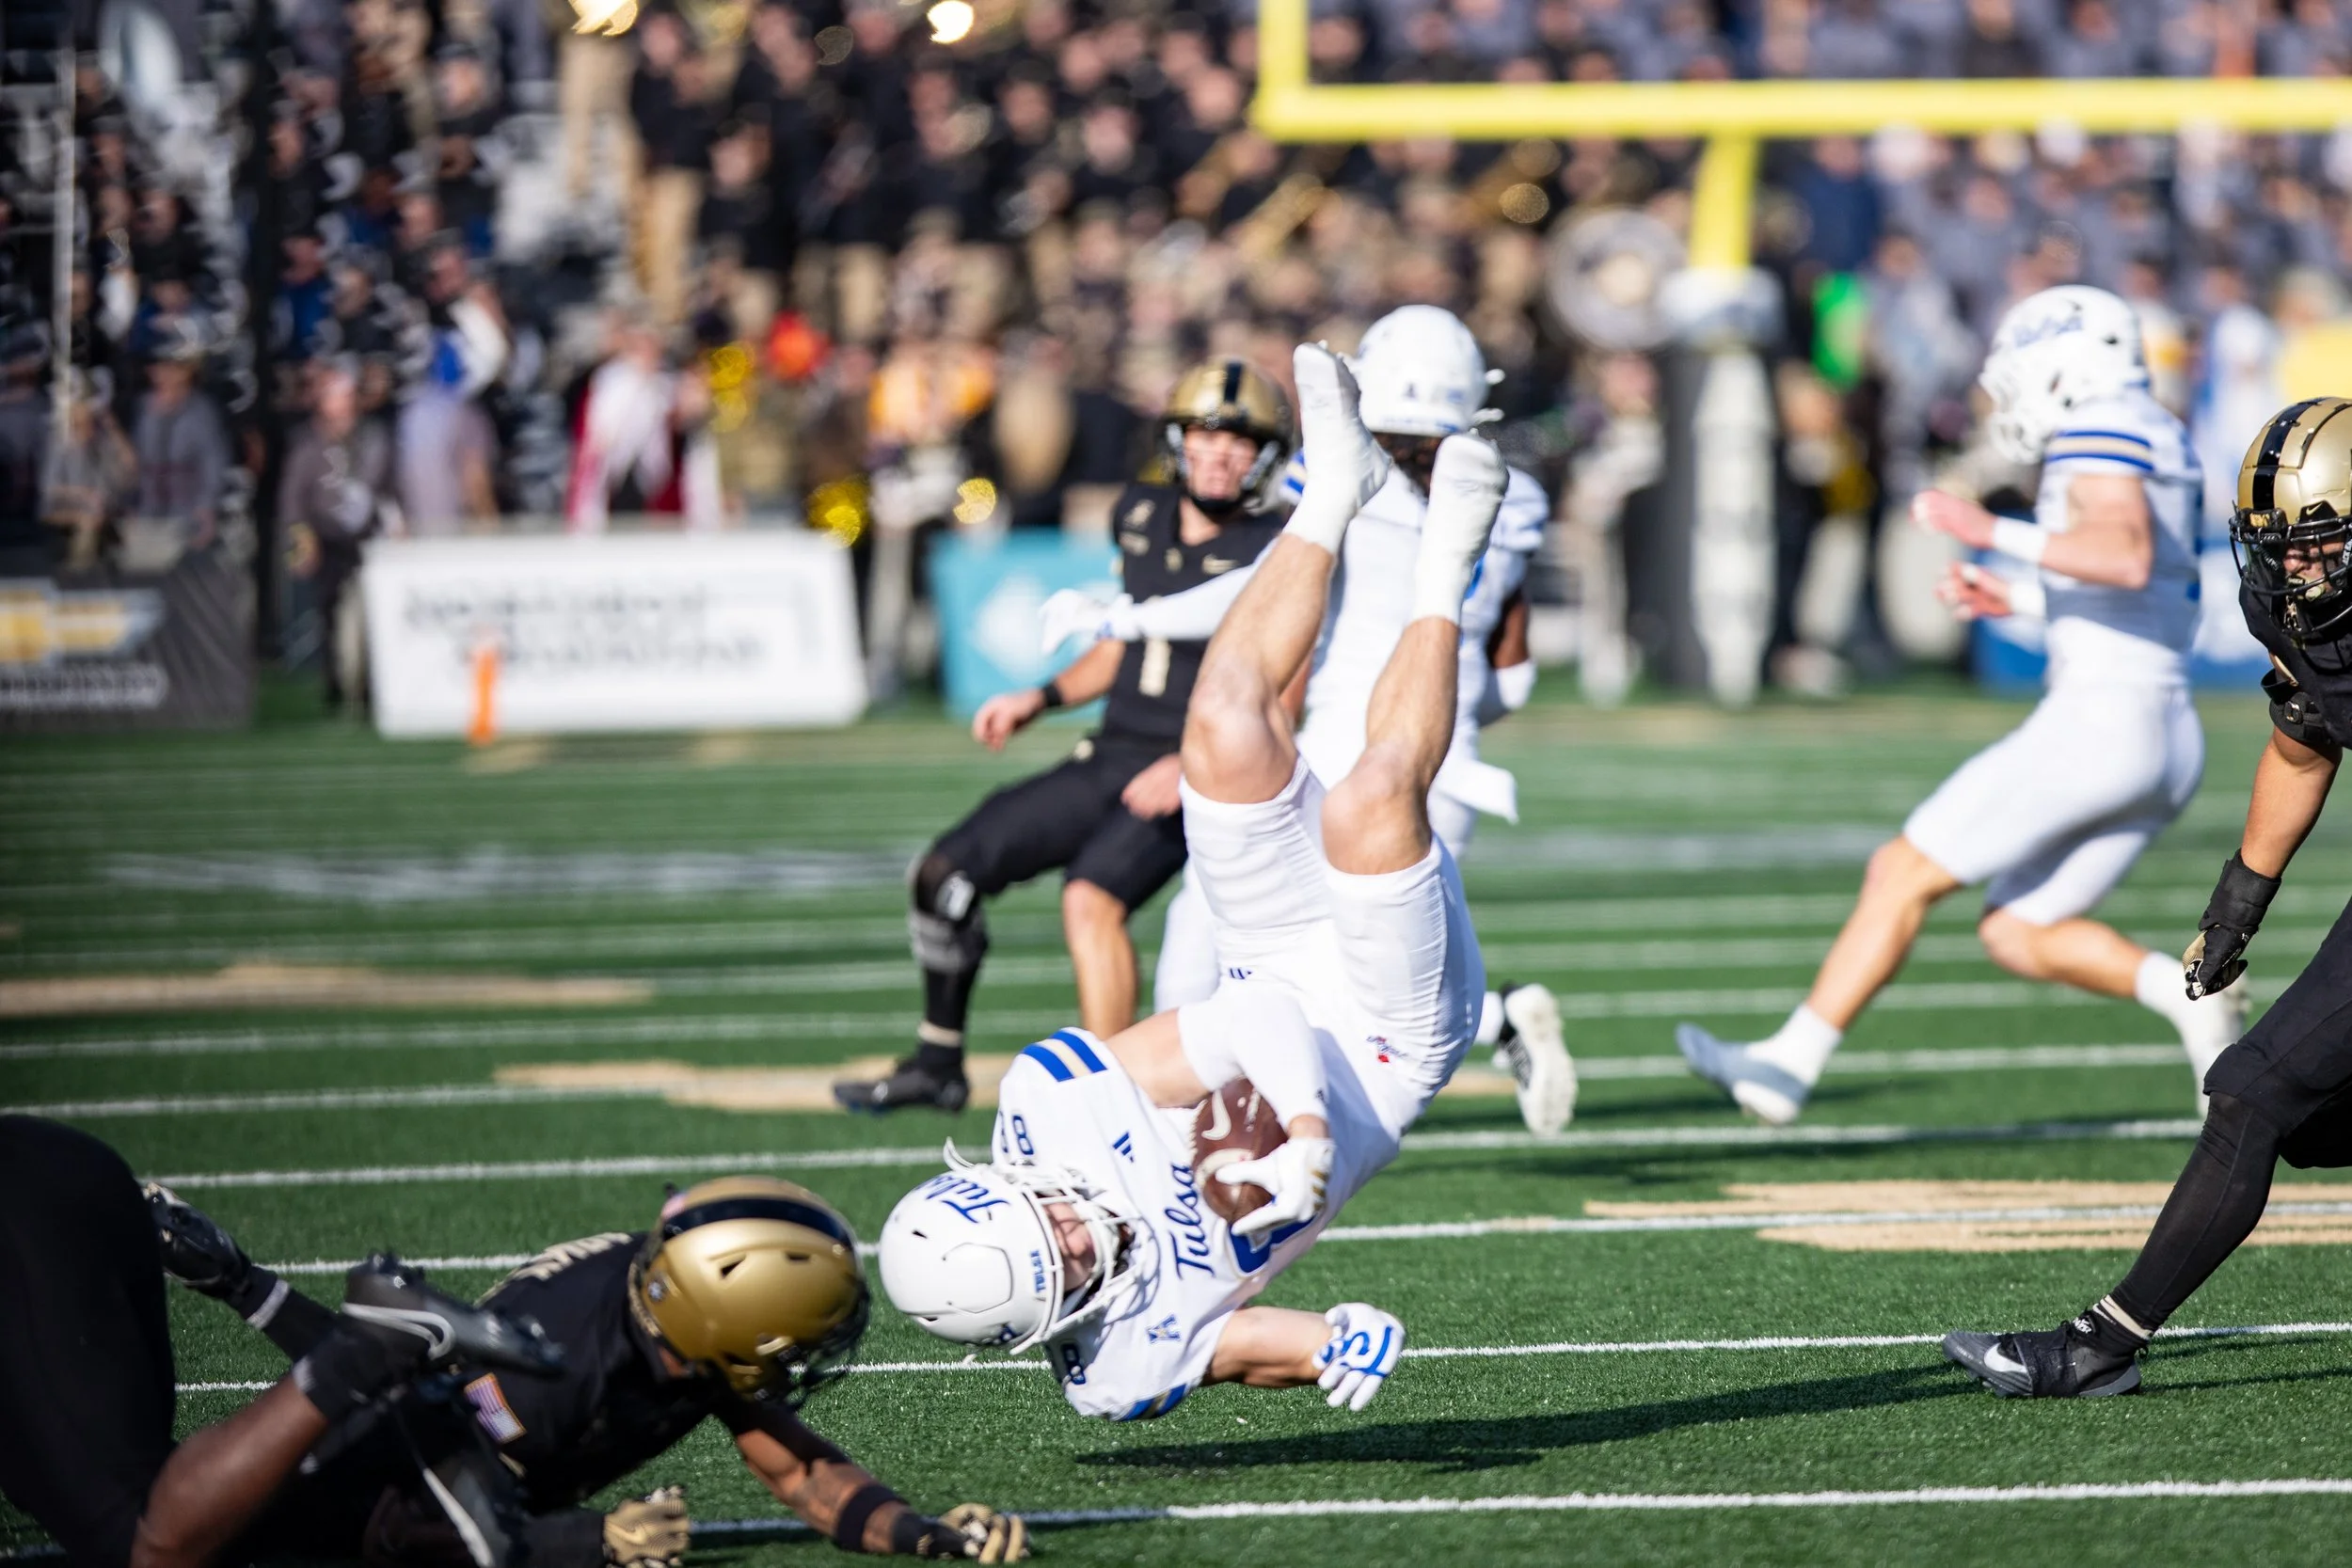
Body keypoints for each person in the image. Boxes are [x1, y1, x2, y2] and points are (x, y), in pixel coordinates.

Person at [874, 344, 1496, 1420]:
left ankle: (1331, 492)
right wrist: (1338, 1344)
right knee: (1368, 798)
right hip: (1390, 1039)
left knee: (1218, 728)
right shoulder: (1117, 1370)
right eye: (1062, 1257)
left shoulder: (1043, 1106)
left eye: (1046, 1221)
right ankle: (1447, 560)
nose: (1076, 1230)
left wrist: (1301, 1135)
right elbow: (1258, 1339)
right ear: (1039, 1318)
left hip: (1273, 978)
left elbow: (1241, 1012)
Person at [1676, 285, 2241, 1125]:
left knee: (1899, 872)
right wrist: (2015, 599)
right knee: (2019, 928)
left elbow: (2121, 556)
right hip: (2162, 728)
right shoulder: (2159, 428)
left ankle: (1786, 1064)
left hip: (2099, 724)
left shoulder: (2103, 423)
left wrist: (1992, 534)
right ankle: (2186, 995)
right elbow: (2145, 594)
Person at [0, 1114, 1028, 1564]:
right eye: (799, 1332)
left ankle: (368, 1334)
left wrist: (925, 1531)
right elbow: (409, 1518)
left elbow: (803, 1478)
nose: (812, 1352)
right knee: (148, 1547)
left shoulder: (664, 1313)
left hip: (58, 1195)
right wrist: (586, 1544)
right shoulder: (569, 1365)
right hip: (33, 1209)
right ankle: (372, 1336)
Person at [1045, 307, 1575, 1136]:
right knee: (1378, 992)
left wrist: (1133, 618)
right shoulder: (1518, 498)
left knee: (1212, 948)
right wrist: (1457, 720)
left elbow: (1264, 593)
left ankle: (1166, 1136)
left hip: (1334, 746)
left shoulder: (1333, 480)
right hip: (1443, 763)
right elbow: (1511, 667)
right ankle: (1496, 1015)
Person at [1943, 398, 2352, 1399]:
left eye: (2320, 544)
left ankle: (2096, 1345)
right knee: (2297, 1116)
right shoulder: (2293, 609)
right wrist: (2238, 900)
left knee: (2255, 1091)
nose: (2295, 569)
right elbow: (2306, 732)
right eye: (2278, 547)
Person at [834, 357, 1292, 1115]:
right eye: (1206, 437)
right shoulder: (1142, 513)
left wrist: (1188, 763)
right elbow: (1124, 643)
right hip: (1111, 751)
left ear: (1267, 455)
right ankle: (938, 1059)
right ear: (1176, 441)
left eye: (1240, 442)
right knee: (944, 872)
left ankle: (1114, 1103)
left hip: (1203, 767)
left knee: (1090, 898)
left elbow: (1288, 681)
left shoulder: (1276, 544)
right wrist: (1041, 696)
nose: (1220, 455)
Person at [278, 359, 396, 706]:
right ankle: (336, 685)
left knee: (372, 614)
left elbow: (387, 490)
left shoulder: (373, 439)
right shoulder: (307, 446)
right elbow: (293, 500)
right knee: (329, 615)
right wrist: (300, 543)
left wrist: (393, 526)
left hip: (368, 539)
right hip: (326, 539)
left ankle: (371, 686)